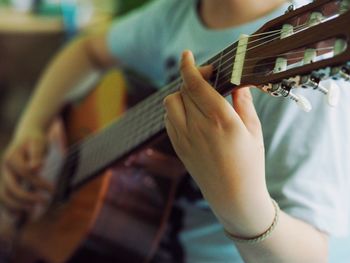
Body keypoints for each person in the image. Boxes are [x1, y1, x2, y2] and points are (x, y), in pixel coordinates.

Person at [1, 0, 350, 262]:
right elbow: (89, 50)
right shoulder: (181, 10)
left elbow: (312, 255)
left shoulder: (301, 71)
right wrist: (31, 128)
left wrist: (244, 207)